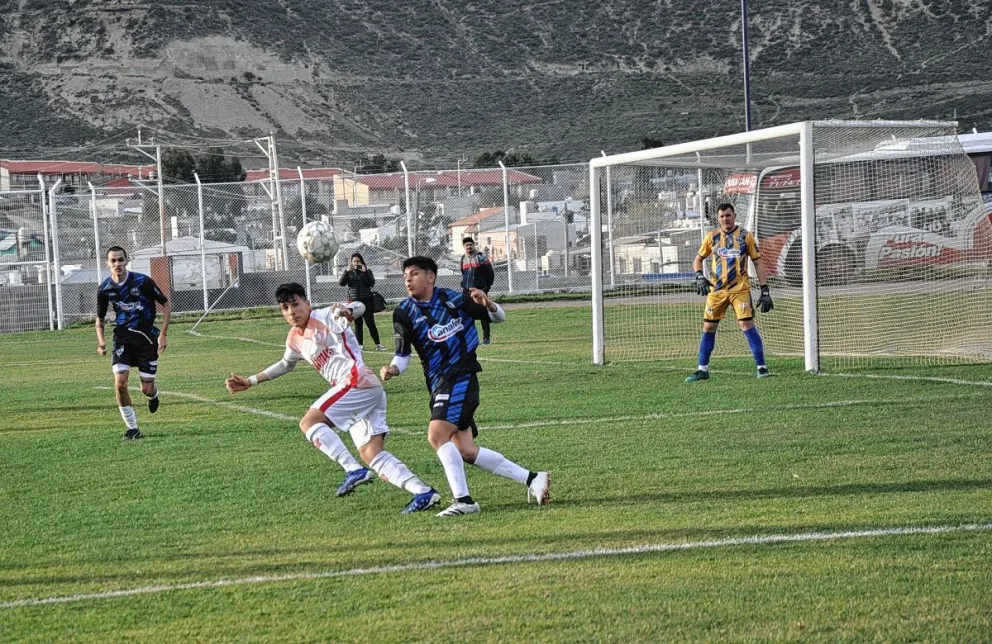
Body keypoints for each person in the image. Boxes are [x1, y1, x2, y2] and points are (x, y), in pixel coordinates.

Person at [224, 282, 440, 514]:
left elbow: (359, 307)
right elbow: (286, 364)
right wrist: (251, 381)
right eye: (285, 308)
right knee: (371, 452)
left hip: (356, 382)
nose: (291, 311)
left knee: (309, 422)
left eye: (295, 304)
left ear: (307, 303)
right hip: (365, 390)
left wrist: (347, 311)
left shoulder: (326, 315)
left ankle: (352, 470)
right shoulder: (294, 337)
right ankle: (423, 492)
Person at [380, 256, 550, 517]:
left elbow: (499, 318)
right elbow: (402, 354)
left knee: (436, 435)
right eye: (405, 276)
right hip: (438, 383)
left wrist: (489, 304)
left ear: (430, 277)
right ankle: (533, 478)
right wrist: (393, 369)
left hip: (462, 375)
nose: (408, 279)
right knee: (466, 451)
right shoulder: (403, 312)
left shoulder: (455, 299)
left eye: (414, 274)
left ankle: (464, 500)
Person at [686, 203, 774, 382]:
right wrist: (698, 276)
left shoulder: (745, 236)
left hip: (739, 290)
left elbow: (757, 262)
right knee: (709, 327)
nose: (725, 219)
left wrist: (764, 290)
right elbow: (698, 259)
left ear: (734, 215)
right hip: (716, 291)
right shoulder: (712, 237)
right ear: (718, 219)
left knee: (746, 325)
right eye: (722, 216)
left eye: (728, 215)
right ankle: (702, 370)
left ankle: (762, 368)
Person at [95, 246, 170, 440]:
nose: (117, 264)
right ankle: (132, 428)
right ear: (107, 264)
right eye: (113, 261)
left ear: (126, 261)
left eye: (120, 260)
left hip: (146, 339)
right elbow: (100, 320)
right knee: (120, 384)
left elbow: (166, 303)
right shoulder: (105, 288)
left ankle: (153, 395)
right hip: (122, 339)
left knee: (146, 388)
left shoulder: (142, 281)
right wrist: (102, 342)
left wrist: (163, 334)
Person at [338, 252, 385, 351]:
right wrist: (346, 271)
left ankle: (378, 344)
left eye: (358, 261)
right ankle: (360, 345)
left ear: (362, 262)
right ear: (351, 262)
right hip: (354, 302)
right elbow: (341, 283)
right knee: (358, 324)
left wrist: (365, 272)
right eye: (354, 261)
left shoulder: (367, 271)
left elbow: (371, 283)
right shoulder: (349, 272)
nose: (356, 263)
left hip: (366, 300)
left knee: (370, 323)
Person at [460, 237, 496, 344]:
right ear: (464, 247)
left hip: (480, 291)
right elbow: (463, 274)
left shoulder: (481, 257)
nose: (469, 247)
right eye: (466, 245)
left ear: (474, 245)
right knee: (467, 315)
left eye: (470, 244)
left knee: (483, 314)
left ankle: (486, 338)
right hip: (466, 292)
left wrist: (486, 288)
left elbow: (490, 273)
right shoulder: (463, 259)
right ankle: (471, 339)